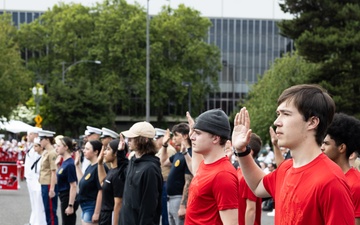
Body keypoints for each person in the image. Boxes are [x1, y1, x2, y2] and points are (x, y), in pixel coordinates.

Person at [232, 84, 354, 224]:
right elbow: (258, 185)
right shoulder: (286, 168)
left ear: (312, 122)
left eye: (286, 114)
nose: (276, 122)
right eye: (278, 114)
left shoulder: (331, 181)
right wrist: (241, 150)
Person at [185, 109, 239, 225]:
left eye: (198, 133)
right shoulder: (206, 165)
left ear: (215, 138)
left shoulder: (223, 175)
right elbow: (197, 171)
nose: (192, 137)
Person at [119, 121, 163, 225]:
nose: (128, 140)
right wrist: (120, 154)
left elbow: (149, 207)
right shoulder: (133, 160)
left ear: (145, 139)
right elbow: (122, 176)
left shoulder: (150, 168)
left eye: (132, 138)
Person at [321, 113, 360, 224]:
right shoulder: (324, 176)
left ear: (341, 148)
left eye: (326, 144)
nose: (321, 148)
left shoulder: (356, 185)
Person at [159, 123, 192, 225]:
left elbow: (188, 181)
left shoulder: (190, 154)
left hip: (179, 198)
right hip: (171, 198)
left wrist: (183, 205)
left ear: (185, 136)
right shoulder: (179, 154)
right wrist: (164, 145)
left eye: (176, 135)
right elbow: (163, 162)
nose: (174, 138)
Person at [97, 138, 128, 225]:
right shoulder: (112, 170)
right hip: (104, 215)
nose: (104, 152)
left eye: (108, 149)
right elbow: (103, 183)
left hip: (110, 216)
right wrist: (99, 164)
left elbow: (118, 203)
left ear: (116, 153)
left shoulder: (119, 174)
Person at [76, 140, 107, 225]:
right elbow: (83, 181)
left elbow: (101, 190)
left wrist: (96, 213)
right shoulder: (91, 166)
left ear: (96, 151)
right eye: (84, 148)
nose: (84, 151)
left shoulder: (99, 167)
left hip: (92, 206)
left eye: (87, 149)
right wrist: (77, 166)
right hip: (85, 205)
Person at [24, 127, 46, 225]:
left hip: (36, 179)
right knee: (34, 203)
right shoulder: (32, 147)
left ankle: (39, 222)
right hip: (30, 178)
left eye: (30, 134)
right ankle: (33, 222)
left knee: (39, 204)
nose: (28, 136)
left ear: (36, 135)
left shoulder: (39, 147)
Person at [154, 128, 176, 225]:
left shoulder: (169, 150)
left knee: (165, 213)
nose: (155, 140)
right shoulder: (161, 150)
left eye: (157, 138)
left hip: (166, 182)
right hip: (161, 183)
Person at [55, 136, 78, 225]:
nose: (56, 148)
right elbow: (61, 178)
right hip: (63, 196)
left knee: (68, 223)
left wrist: (70, 205)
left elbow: (73, 185)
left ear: (66, 147)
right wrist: (57, 166)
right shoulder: (64, 162)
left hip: (68, 196)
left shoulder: (70, 164)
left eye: (58, 146)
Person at [38, 130, 59, 225]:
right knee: (47, 210)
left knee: (50, 211)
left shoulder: (52, 153)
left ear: (47, 139)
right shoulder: (46, 152)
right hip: (44, 183)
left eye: (41, 139)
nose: (40, 142)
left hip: (49, 184)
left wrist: (52, 189)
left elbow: (53, 172)